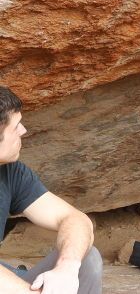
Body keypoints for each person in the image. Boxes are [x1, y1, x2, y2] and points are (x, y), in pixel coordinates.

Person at [0, 87, 102, 294]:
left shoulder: (10, 172)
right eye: (16, 126)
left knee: (87, 259)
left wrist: (67, 267)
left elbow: (75, 219)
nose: (24, 131)